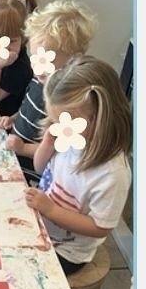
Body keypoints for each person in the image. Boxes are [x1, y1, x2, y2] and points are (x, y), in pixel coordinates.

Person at [24, 54, 132, 275]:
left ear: (100, 119)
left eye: (64, 122)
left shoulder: (113, 174)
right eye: (55, 121)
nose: (59, 127)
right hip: (41, 223)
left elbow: (100, 227)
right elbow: (39, 168)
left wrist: (51, 210)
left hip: (68, 251)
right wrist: (47, 143)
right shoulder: (69, 139)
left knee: (22, 273)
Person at [2, 0, 98, 183]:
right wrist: (13, 118)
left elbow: (56, 149)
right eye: (34, 57)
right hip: (14, 154)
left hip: (32, 173)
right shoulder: (41, 78)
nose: (37, 67)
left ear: (74, 59)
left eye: (46, 60)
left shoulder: (67, 103)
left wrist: (23, 148)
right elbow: (28, 106)